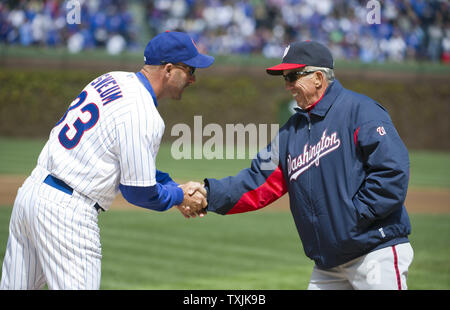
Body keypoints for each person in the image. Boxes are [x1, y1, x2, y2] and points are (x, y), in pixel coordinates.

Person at [185, 41, 414, 290]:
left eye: (293, 76)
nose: (287, 85)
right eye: (285, 78)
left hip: (373, 252)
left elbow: (392, 170)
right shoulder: (290, 132)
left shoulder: (361, 111)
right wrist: (208, 194)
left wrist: (356, 216)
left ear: (318, 77)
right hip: (329, 262)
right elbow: (257, 182)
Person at [0, 31, 210, 290]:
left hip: (31, 195)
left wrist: (175, 188)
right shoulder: (144, 113)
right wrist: (179, 197)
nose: (193, 79)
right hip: (66, 214)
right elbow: (138, 192)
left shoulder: (112, 79)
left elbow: (131, 165)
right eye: (190, 69)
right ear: (168, 69)